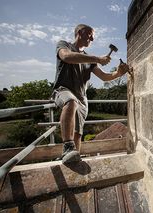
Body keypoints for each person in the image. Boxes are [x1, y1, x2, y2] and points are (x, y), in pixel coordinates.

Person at [51, 24, 131, 164]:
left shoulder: (89, 59)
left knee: (77, 133)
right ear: (80, 32)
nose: (92, 38)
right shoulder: (64, 46)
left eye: (93, 36)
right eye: (90, 34)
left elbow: (104, 77)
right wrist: (97, 59)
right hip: (63, 90)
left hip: (82, 98)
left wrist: (118, 73)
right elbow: (67, 57)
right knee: (70, 102)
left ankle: (73, 158)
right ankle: (67, 147)